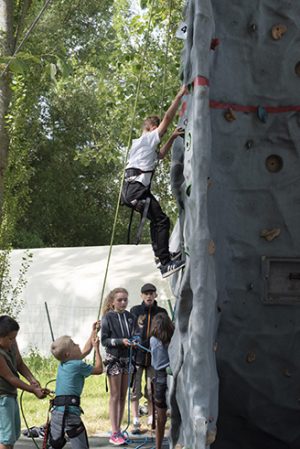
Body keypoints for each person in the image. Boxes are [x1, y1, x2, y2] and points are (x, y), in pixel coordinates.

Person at [122, 86, 187, 278]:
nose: (161, 135)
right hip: (136, 190)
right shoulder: (147, 139)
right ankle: (164, 262)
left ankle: (161, 257)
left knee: (158, 220)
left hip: (135, 190)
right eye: (158, 131)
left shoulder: (141, 146)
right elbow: (167, 119)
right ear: (151, 128)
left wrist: (173, 137)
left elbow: (160, 155)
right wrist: (180, 94)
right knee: (161, 220)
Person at [49, 322, 103, 449]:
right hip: (70, 412)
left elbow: (85, 350)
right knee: (80, 444)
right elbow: (99, 369)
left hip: (57, 412)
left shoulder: (64, 364)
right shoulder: (77, 365)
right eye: (74, 344)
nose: (78, 344)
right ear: (68, 354)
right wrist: (97, 348)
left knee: (55, 444)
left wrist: (94, 331)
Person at [0, 315, 46, 449]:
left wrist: (32, 380)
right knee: (6, 438)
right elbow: (11, 378)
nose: (13, 341)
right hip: (2, 398)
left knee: (13, 435)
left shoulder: (12, 343)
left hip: (11, 395)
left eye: (15, 338)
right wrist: (33, 391)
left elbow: (19, 363)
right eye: (10, 338)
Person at [130, 283, 168, 434]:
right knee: (135, 389)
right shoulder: (134, 311)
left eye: (151, 293)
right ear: (141, 295)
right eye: (146, 293)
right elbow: (131, 331)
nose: (149, 296)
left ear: (155, 295)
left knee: (152, 390)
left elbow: (165, 332)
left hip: (155, 358)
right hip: (138, 357)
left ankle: (152, 419)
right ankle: (136, 421)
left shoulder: (162, 312)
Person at [101, 288, 136, 446]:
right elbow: (105, 340)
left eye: (125, 300)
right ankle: (114, 431)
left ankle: (119, 429)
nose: (123, 303)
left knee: (123, 395)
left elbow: (136, 334)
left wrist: (135, 341)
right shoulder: (108, 317)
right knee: (115, 396)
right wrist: (120, 341)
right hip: (114, 359)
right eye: (120, 300)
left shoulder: (130, 317)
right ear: (112, 302)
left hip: (127, 359)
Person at [150, 313, 174, 449]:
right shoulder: (174, 338)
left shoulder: (153, 340)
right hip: (173, 374)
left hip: (160, 377)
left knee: (161, 417)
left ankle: (159, 447)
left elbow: (158, 364)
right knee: (175, 417)